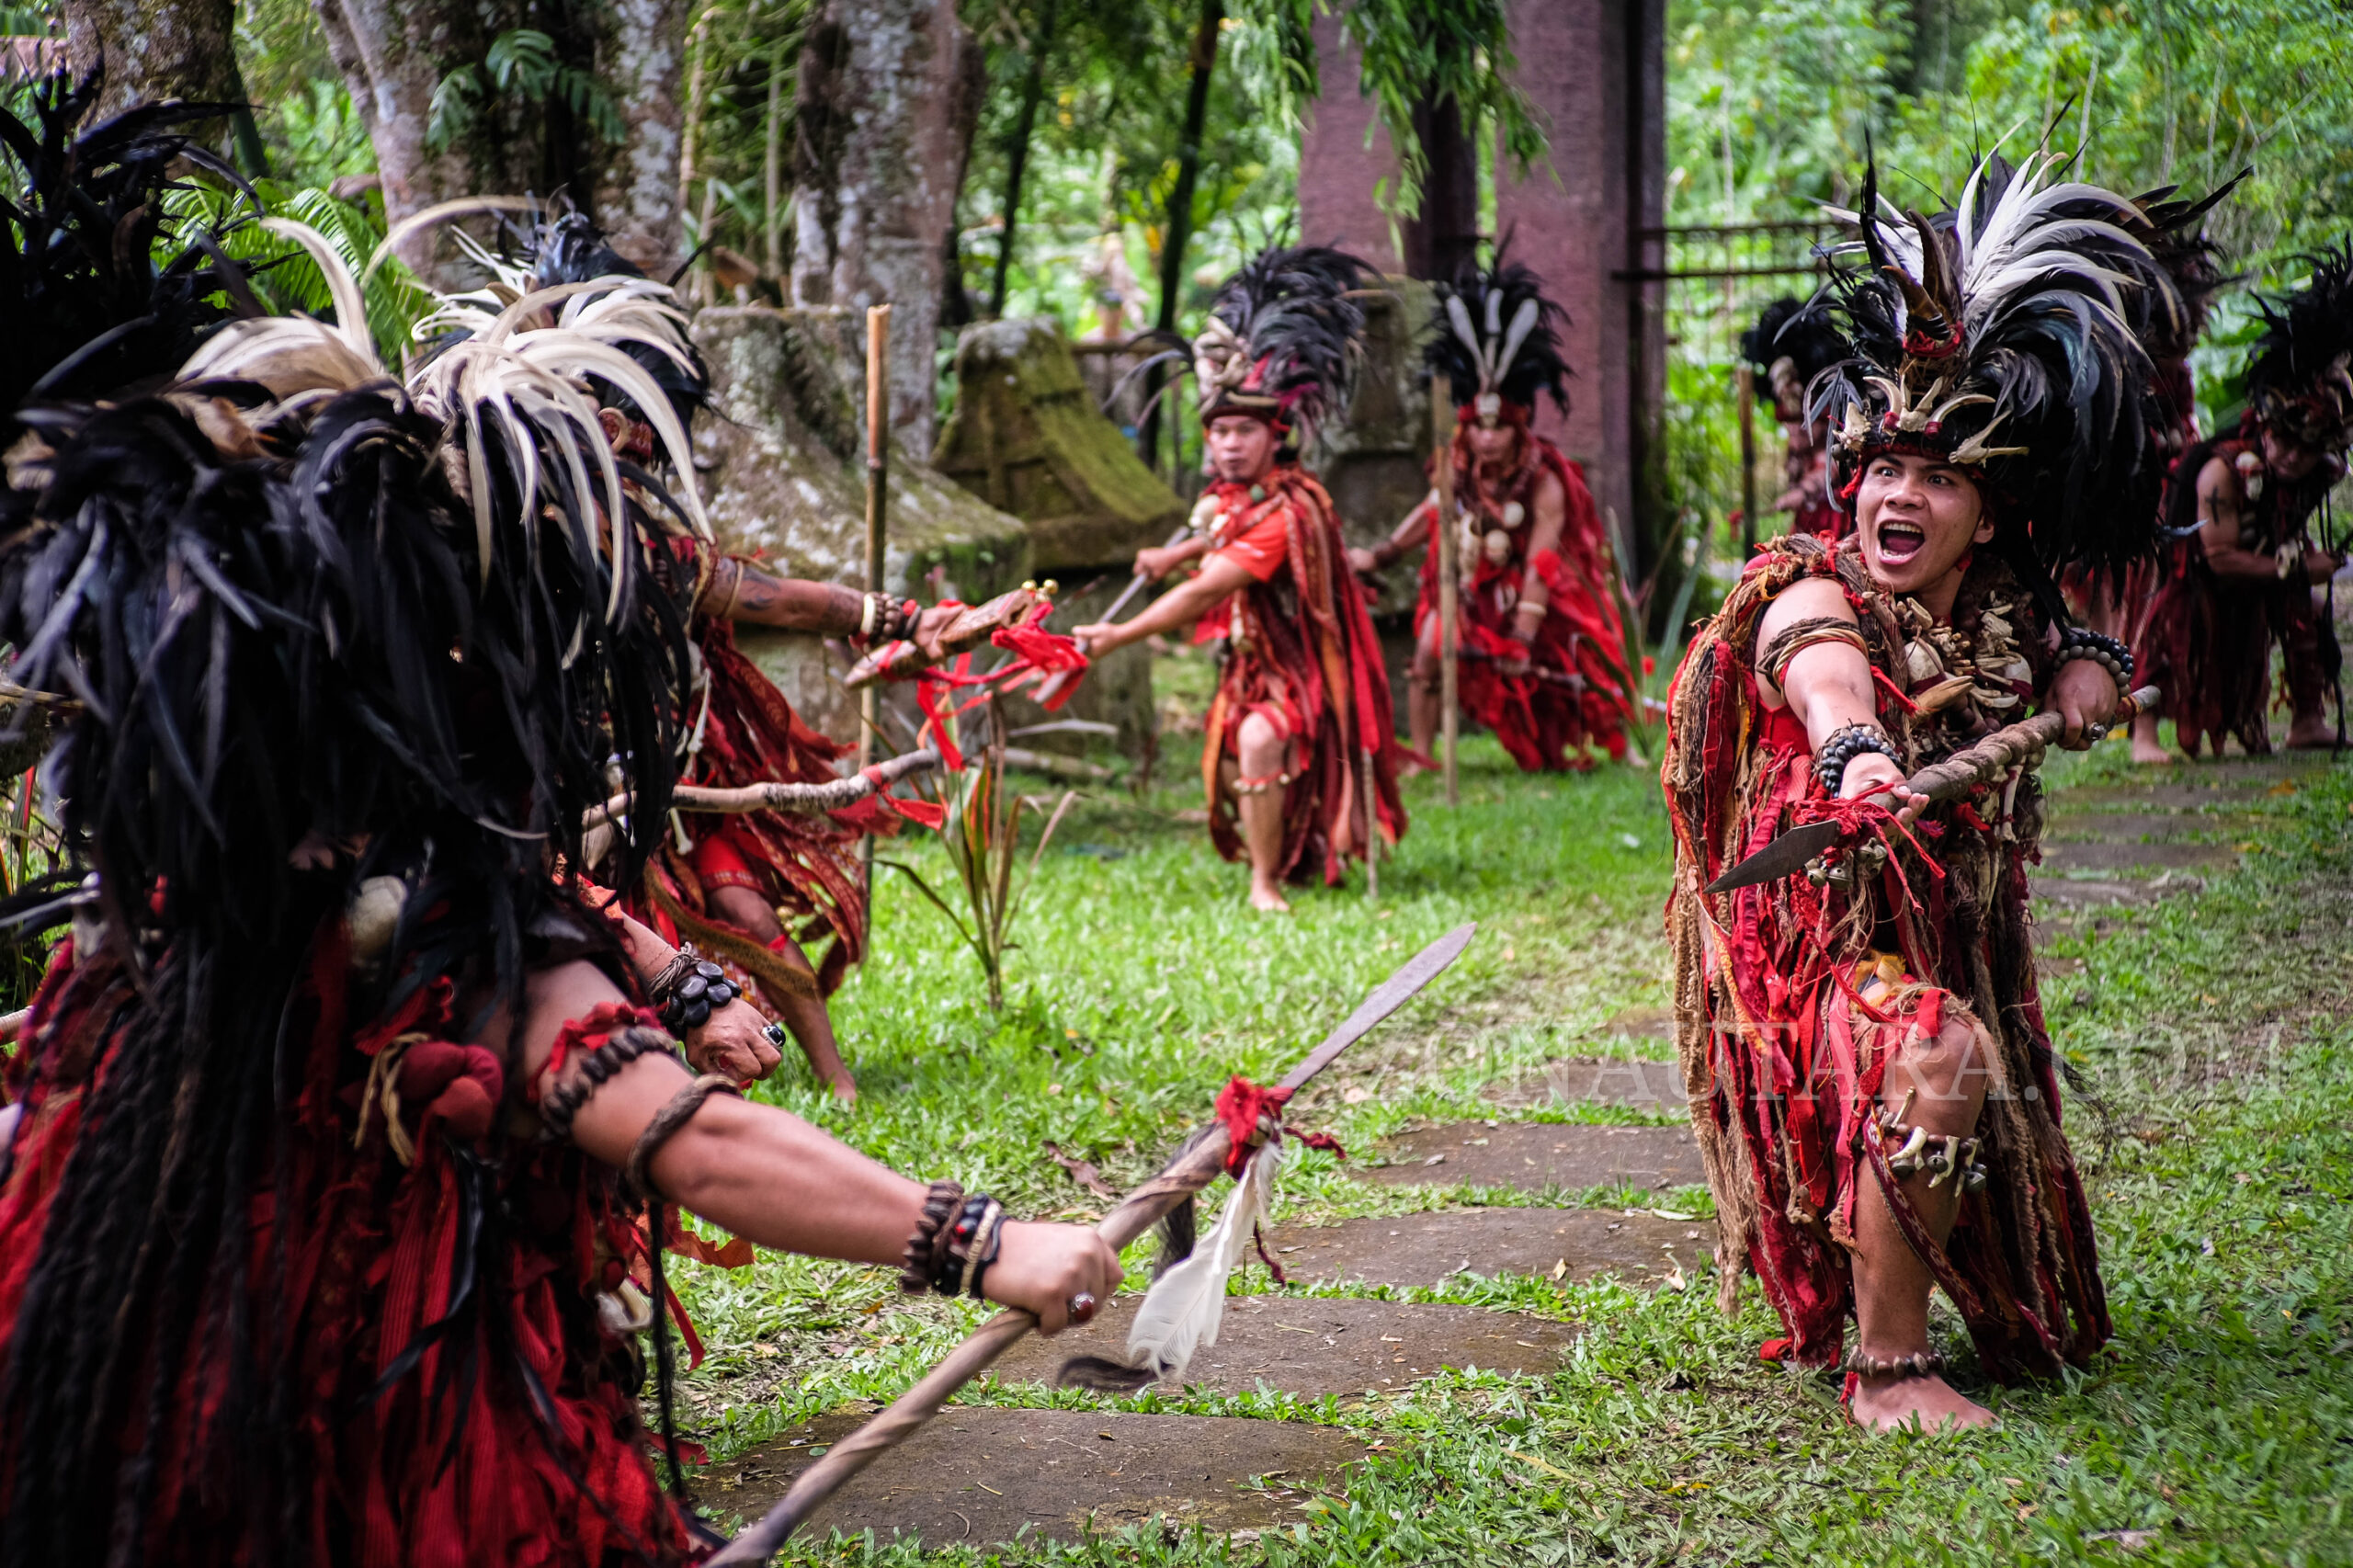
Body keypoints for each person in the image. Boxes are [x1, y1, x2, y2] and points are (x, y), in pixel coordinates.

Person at [0, 77, 1119, 1561]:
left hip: (145, 1442)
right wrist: (990, 1242)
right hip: (383, 1458)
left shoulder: (180, 898)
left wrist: (676, 971)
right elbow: (694, 1148)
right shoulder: (432, 932)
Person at [1665, 153, 2204, 1432]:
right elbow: (1822, 676)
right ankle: (1890, 1372)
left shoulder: (2013, 607)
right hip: (1816, 945)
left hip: (1958, 930)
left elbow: (2074, 649)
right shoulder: (1813, 588)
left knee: (2035, 1296)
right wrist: (1855, 755)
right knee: (1938, 1052)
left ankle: (1903, 1287)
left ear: (1993, 512)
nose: (1898, 495)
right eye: (1884, 472)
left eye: (1939, 477)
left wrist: (2093, 672)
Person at [1074, 245, 1404, 911]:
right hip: (1248, 665)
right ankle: (1283, 851)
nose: (1229, 444)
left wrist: (1115, 635)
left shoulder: (1288, 511)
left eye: (1244, 433)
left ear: (1275, 436)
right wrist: (1172, 556)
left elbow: (1210, 588)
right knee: (1231, 766)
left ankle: (1264, 883)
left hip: (1301, 668)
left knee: (1256, 742)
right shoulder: (1231, 500)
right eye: (1219, 431)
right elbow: (1210, 544)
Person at [1348, 260, 1635, 771]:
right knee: (1430, 648)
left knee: (1577, 655)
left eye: (1497, 427)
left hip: (1534, 596)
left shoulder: (1545, 478)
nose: (1485, 438)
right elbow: (1431, 512)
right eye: (1477, 427)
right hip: (1466, 585)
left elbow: (1544, 562)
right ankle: (1421, 755)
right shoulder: (1455, 464)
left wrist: (1523, 633)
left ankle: (1617, 738)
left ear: (1518, 425)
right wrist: (1383, 552)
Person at [2134, 243, 2352, 760]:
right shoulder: (2224, 471)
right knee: (2170, 633)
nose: (2293, 457)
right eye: (2286, 441)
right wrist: (2298, 570)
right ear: (2267, 426)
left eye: (2309, 448)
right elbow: (2220, 556)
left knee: (2309, 612)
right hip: (2197, 576)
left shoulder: (2319, 471)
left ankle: (2307, 720)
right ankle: (2142, 738)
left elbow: (2287, 531)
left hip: (2258, 572)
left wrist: (2301, 566)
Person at [1740, 296, 1849, 540]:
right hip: (1811, 516)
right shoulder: (1798, 410)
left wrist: (1803, 490)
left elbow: (1834, 463)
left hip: (1838, 516)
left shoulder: (1832, 419)